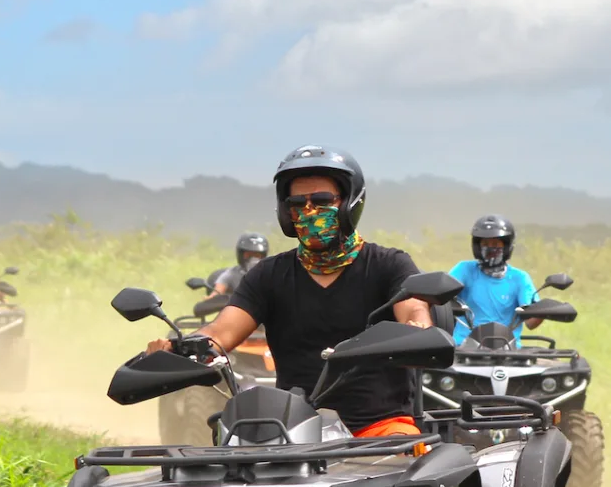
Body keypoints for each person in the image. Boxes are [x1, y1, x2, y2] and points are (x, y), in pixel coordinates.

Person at [146, 146, 432, 437]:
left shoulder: (389, 265)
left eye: (322, 200)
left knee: (406, 462)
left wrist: (418, 329)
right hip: (291, 431)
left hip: (379, 429)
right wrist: (180, 348)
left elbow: (414, 310)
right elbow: (222, 332)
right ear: (286, 211)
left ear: (349, 202)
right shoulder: (269, 275)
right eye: (298, 203)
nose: (309, 211)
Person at [447, 214, 540, 345]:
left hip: (508, 349)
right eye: (485, 243)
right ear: (477, 247)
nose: (490, 248)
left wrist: (545, 311)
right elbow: (443, 294)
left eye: (496, 243)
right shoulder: (464, 270)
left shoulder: (519, 278)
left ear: (507, 247)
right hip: (463, 348)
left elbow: (531, 323)